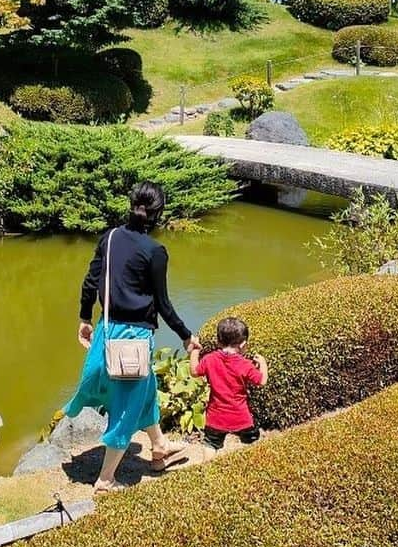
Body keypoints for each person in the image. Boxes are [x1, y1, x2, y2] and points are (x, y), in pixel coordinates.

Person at [65, 181, 199, 493]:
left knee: (147, 391)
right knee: (126, 406)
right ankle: (106, 479)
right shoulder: (155, 252)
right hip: (134, 339)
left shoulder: (109, 238)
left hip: (107, 329)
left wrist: (85, 317)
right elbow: (163, 304)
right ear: (158, 213)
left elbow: (90, 283)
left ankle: (160, 447)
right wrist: (185, 335)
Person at [190, 316, 268, 454]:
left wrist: (195, 352)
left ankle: (208, 470)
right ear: (243, 344)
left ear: (218, 341)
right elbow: (261, 381)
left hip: (215, 417)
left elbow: (194, 371)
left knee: (210, 444)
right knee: (252, 442)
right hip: (241, 417)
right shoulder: (245, 365)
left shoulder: (210, 359)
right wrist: (263, 364)